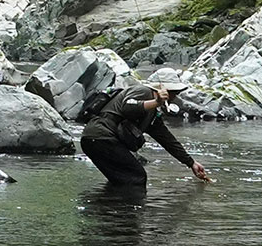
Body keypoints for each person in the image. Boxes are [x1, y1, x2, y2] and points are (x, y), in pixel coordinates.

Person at [79, 81, 213, 194]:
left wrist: (191, 163)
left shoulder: (153, 117)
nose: (174, 96)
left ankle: (108, 213)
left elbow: (168, 141)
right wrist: (156, 101)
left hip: (95, 140)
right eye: (172, 91)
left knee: (122, 178)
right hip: (101, 137)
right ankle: (125, 218)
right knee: (137, 177)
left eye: (175, 93)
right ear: (160, 88)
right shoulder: (143, 91)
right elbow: (127, 107)